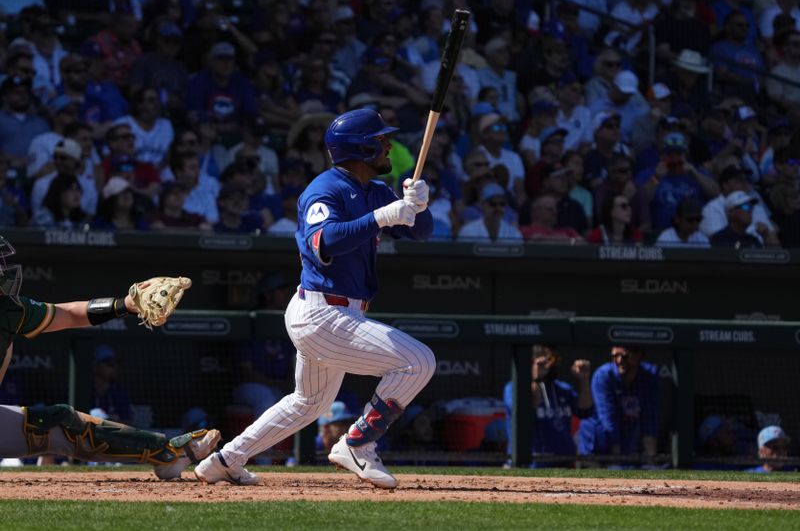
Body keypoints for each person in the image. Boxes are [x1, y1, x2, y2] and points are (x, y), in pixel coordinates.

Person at [195, 108, 435, 489]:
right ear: (359, 148)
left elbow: (420, 232)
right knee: (419, 362)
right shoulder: (325, 189)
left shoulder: (375, 191)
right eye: (379, 141)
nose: (388, 145)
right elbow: (324, 241)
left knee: (309, 404)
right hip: (323, 314)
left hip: (335, 313)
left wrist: (418, 206)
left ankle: (225, 460)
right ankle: (358, 442)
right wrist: (383, 217)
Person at [0, 236, 219, 479]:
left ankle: (165, 454)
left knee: (61, 422)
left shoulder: (9, 311)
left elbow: (70, 314)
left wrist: (125, 304)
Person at [502, 345, 592, 467]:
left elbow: (585, 411)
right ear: (532, 362)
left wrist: (584, 380)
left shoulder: (563, 388)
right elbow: (524, 417)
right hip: (530, 463)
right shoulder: (513, 388)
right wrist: (537, 378)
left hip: (563, 461)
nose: (550, 365)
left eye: (554, 360)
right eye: (546, 361)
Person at [577, 346, 660, 463]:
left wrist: (652, 459)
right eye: (615, 356)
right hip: (600, 442)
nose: (619, 361)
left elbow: (649, 417)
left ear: (639, 355)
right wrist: (617, 460)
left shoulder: (649, 374)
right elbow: (608, 419)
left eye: (625, 356)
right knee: (596, 429)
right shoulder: (604, 375)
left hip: (629, 439)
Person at [457, 182, 523, 244]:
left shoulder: (513, 233)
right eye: (492, 204)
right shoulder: (468, 231)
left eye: (502, 204)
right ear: (482, 205)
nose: (498, 208)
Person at [710, 191, 779, 247]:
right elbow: (734, 251)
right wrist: (739, 243)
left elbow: (776, 259)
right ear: (731, 212)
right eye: (746, 207)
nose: (750, 211)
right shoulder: (720, 238)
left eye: (751, 207)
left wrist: (766, 236)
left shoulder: (752, 240)